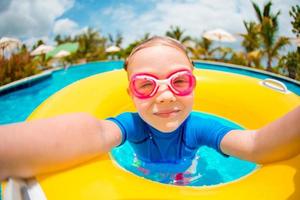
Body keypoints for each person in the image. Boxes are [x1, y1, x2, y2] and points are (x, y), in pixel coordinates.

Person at [0, 36, 299, 182]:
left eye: (179, 81)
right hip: (141, 171)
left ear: (194, 85)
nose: (166, 95)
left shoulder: (198, 127)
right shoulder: (131, 125)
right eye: (146, 85)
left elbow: (257, 144)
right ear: (131, 94)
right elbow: (93, 131)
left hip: (190, 174)